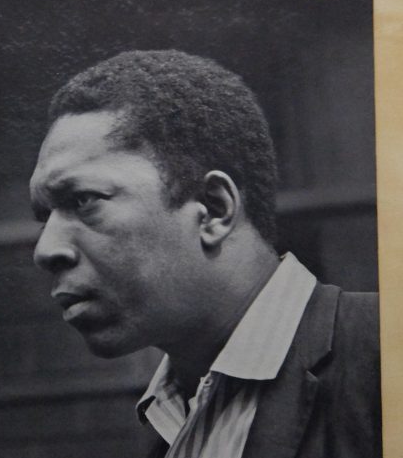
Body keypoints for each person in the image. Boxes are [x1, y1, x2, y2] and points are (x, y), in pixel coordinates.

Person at [29, 50, 381, 458]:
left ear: (214, 209)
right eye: (44, 217)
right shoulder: (170, 423)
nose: (45, 250)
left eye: (84, 200)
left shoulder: (387, 351)